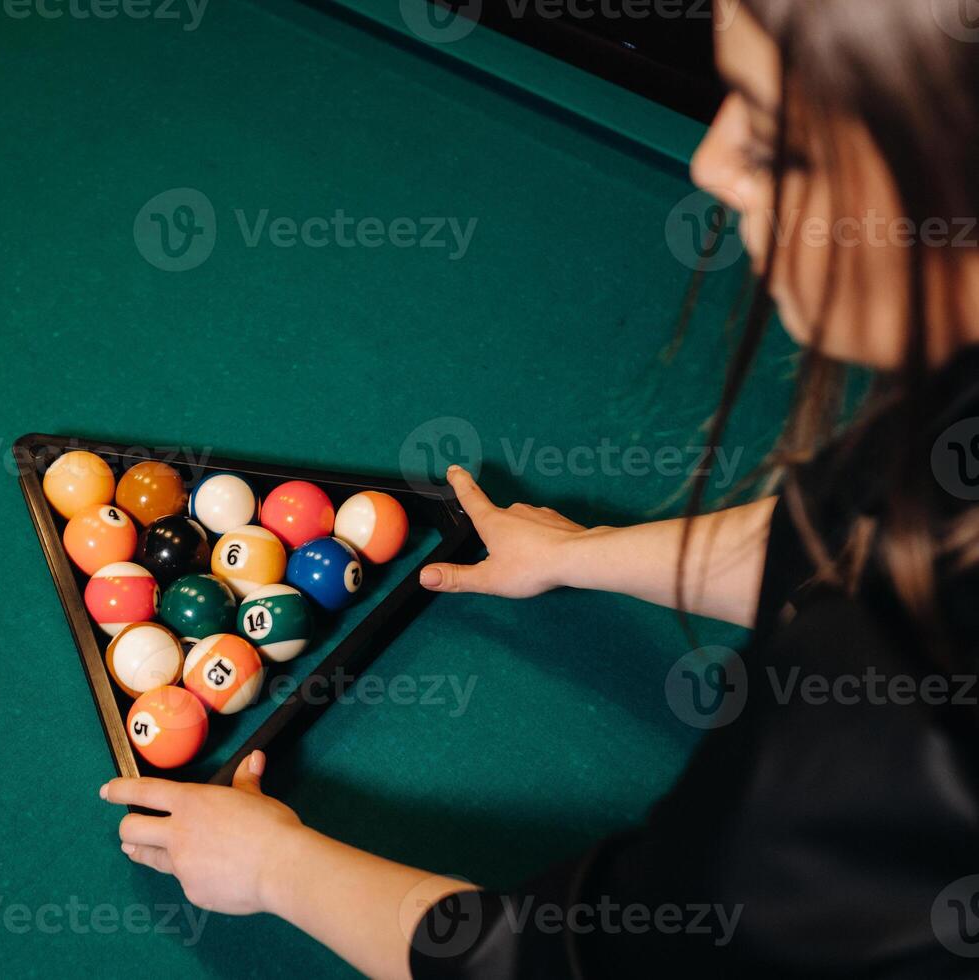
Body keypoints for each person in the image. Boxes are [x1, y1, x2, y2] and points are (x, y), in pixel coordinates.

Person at [102, 0, 979, 974]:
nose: (711, 164)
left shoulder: (896, 721)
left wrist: (273, 864)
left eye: (775, 131)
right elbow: (862, 534)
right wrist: (577, 553)